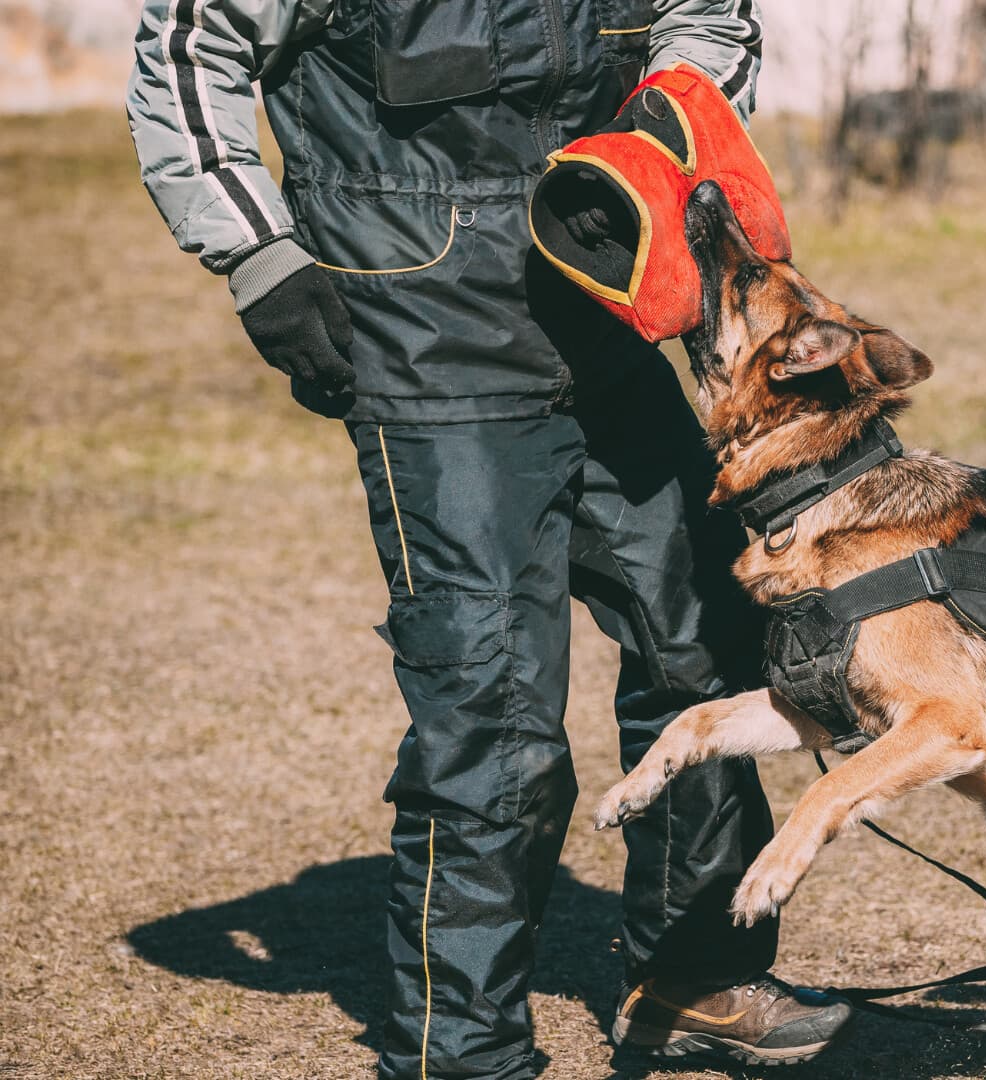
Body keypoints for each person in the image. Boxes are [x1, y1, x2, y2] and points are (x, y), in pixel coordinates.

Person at [126, 2, 851, 1076]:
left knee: (706, 645)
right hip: (427, 343)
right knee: (493, 709)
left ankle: (692, 977)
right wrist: (258, 253)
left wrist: (666, 132)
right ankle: (461, 1051)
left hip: (607, 315)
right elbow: (191, 47)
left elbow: (707, 16)